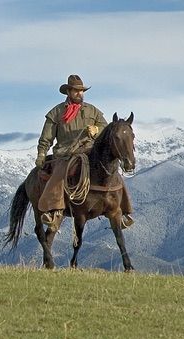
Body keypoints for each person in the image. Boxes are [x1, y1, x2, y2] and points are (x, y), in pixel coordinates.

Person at [35, 74, 134, 230]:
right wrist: (41, 154)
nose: (79, 93)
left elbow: (108, 130)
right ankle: (53, 211)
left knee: (114, 175)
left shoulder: (93, 111)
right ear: (68, 92)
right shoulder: (56, 112)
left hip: (90, 151)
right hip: (66, 152)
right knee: (59, 174)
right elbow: (46, 138)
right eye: (75, 91)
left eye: (81, 91)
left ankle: (123, 212)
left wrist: (96, 129)